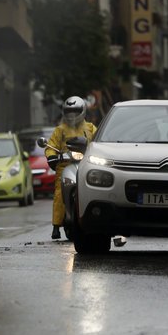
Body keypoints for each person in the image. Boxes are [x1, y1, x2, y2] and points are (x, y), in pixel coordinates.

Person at [45, 96, 97, 239]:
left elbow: (98, 143)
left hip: (86, 164)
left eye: (75, 111)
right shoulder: (60, 130)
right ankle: (56, 226)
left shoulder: (90, 128)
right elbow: (51, 146)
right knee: (59, 193)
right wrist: (51, 156)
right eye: (69, 112)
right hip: (65, 165)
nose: (72, 115)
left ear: (82, 111)